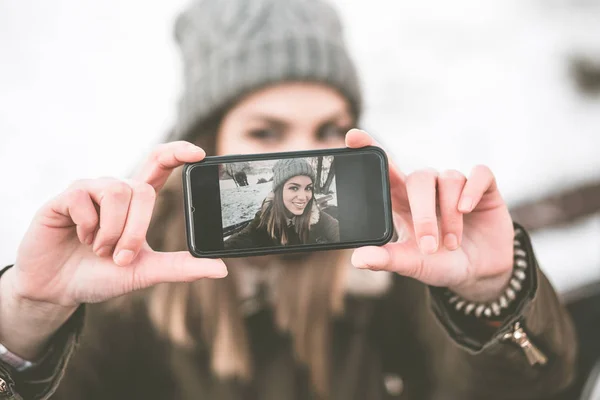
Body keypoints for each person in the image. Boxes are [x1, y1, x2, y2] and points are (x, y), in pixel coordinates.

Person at [0, 0, 577, 399]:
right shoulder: (122, 276)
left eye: (331, 128)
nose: (302, 162)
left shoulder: (401, 260)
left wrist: (489, 297)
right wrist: (24, 317)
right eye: (267, 133)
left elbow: (527, 389)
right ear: (209, 143)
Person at [225, 158, 340, 250]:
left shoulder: (317, 217)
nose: (303, 197)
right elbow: (241, 239)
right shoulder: (264, 219)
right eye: (294, 188)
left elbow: (337, 230)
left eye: (308, 188)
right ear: (279, 192)